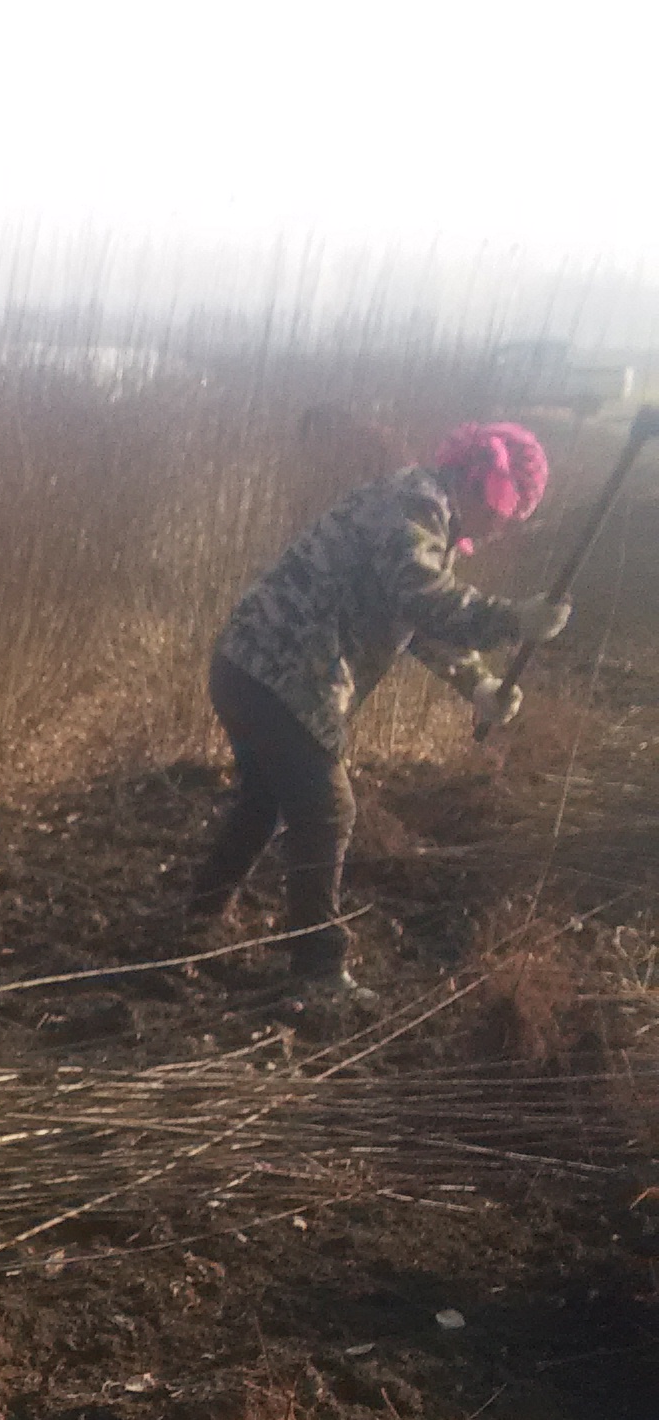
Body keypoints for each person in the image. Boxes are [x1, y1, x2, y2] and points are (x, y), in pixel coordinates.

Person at [187, 422, 571, 999]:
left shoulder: (422, 512)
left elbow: (413, 619)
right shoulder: (416, 502)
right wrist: (511, 619)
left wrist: (479, 684)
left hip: (249, 666)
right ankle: (316, 971)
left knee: (267, 800)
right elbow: (420, 597)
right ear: (481, 480)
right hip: (279, 672)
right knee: (327, 809)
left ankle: (199, 919)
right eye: (506, 507)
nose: (501, 526)